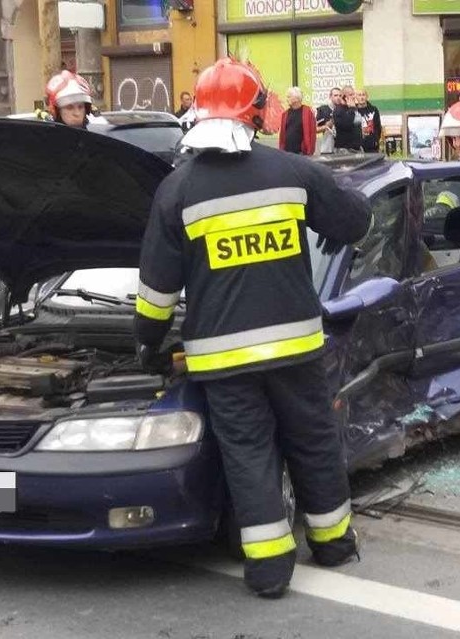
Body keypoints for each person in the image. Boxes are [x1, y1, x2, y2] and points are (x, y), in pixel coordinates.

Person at [133, 57, 370, 598]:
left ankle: (268, 571)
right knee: (312, 443)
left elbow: (155, 295)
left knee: (249, 455)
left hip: (224, 363)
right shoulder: (292, 172)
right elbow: (356, 220)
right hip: (297, 350)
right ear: (256, 111)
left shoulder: (177, 191)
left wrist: (146, 345)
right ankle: (333, 545)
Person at [278, 87, 316, 155]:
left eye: (289, 97)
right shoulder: (285, 114)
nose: (287, 99)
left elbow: (312, 133)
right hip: (287, 151)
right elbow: (282, 134)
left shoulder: (308, 112)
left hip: (301, 152)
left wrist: (309, 150)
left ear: (297, 98)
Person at [334, 85, 363, 152]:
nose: (353, 97)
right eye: (350, 95)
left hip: (357, 148)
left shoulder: (354, 108)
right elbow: (346, 124)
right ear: (344, 97)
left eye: (353, 94)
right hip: (345, 149)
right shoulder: (339, 110)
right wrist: (352, 109)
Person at [315, 87, 341, 155]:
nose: (338, 97)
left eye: (340, 95)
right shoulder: (323, 110)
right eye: (335, 95)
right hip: (327, 148)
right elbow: (315, 129)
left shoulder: (345, 109)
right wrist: (326, 126)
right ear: (330, 96)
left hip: (343, 149)